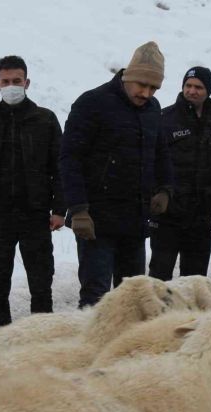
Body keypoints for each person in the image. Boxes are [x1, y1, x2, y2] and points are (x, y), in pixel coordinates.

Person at [60, 41, 173, 307]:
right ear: (128, 77)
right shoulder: (92, 103)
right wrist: (78, 210)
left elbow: (161, 153)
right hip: (96, 222)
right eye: (142, 85)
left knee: (134, 300)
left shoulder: (153, 110)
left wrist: (165, 189)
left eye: (153, 88)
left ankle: (127, 349)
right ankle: (89, 349)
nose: (146, 93)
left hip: (134, 222)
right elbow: (69, 158)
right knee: (95, 299)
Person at [0, 55, 66, 329]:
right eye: (6, 81)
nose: (11, 86)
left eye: (17, 81)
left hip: (36, 214)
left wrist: (59, 210)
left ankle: (42, 339)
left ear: (27, 82)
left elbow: (60, 167)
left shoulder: (45, 120)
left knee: (41, 283)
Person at [149, 66, 211, 280]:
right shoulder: (165, 119)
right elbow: (153, 163)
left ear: (208, 90)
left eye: (198, 87)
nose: (192, 91)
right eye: (188, 86)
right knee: (159, 278)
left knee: (195, 281)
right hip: (168, 214)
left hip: (201, 216)